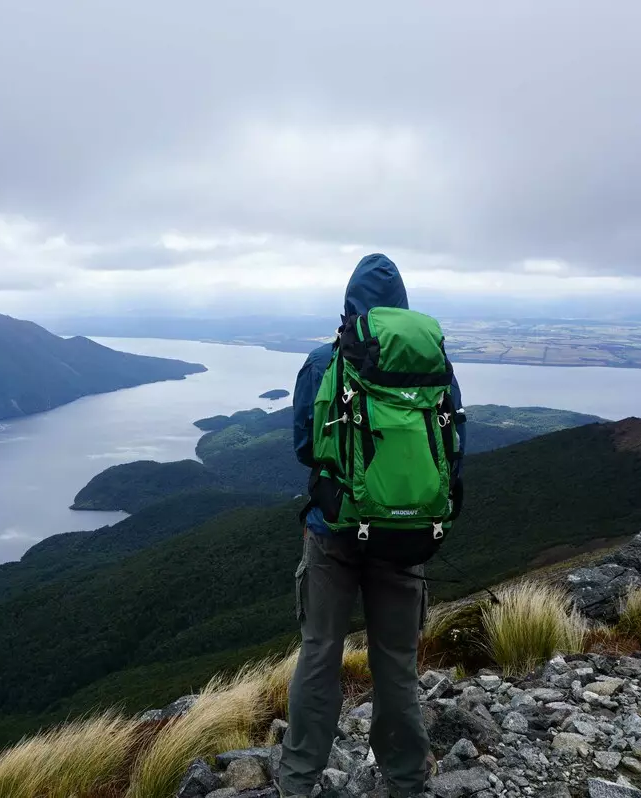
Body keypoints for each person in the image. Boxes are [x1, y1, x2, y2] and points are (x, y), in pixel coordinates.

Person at [279, 253, 466, 798]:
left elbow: (303, 446)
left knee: (320, 653)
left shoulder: (323, 361)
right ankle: (406, 781)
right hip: (406, 539)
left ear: (349, 307)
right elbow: (452, 453)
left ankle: (298, 783)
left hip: (332, 531)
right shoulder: (434, 367)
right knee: (396, 661)